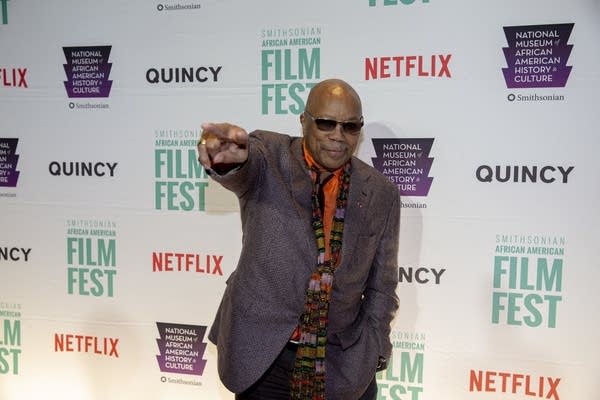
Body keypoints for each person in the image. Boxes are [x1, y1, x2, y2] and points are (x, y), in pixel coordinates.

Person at [197, 78, 400, 400]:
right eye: (326, 123)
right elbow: (242, 167)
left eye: (350, 126)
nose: (338, 135)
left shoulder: (380, 192)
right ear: (304, 122)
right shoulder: (269, 156)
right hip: (263, 355)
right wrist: (228, 160)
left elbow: (382, 285)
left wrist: (374, 347)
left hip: (341, 361)